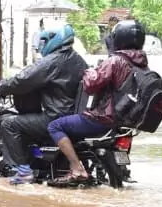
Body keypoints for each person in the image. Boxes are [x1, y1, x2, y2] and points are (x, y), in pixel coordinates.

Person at [46, 19, 150, 188]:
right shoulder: (142, 62)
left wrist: (89, 71)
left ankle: (76, 168)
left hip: (103, 120)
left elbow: (91, 84)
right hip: (122, 123)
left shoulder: (115, 60)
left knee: (55, 126)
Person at [0, 25, 88, 184]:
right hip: (72, 117)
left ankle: (23, 172)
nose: (41, 46)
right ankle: (37, 161)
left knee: (8, 124)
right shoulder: (78, 60)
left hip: (55, 117)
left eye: (43, 41)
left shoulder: (53, 61)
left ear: (54, 40)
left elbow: (23, 79)